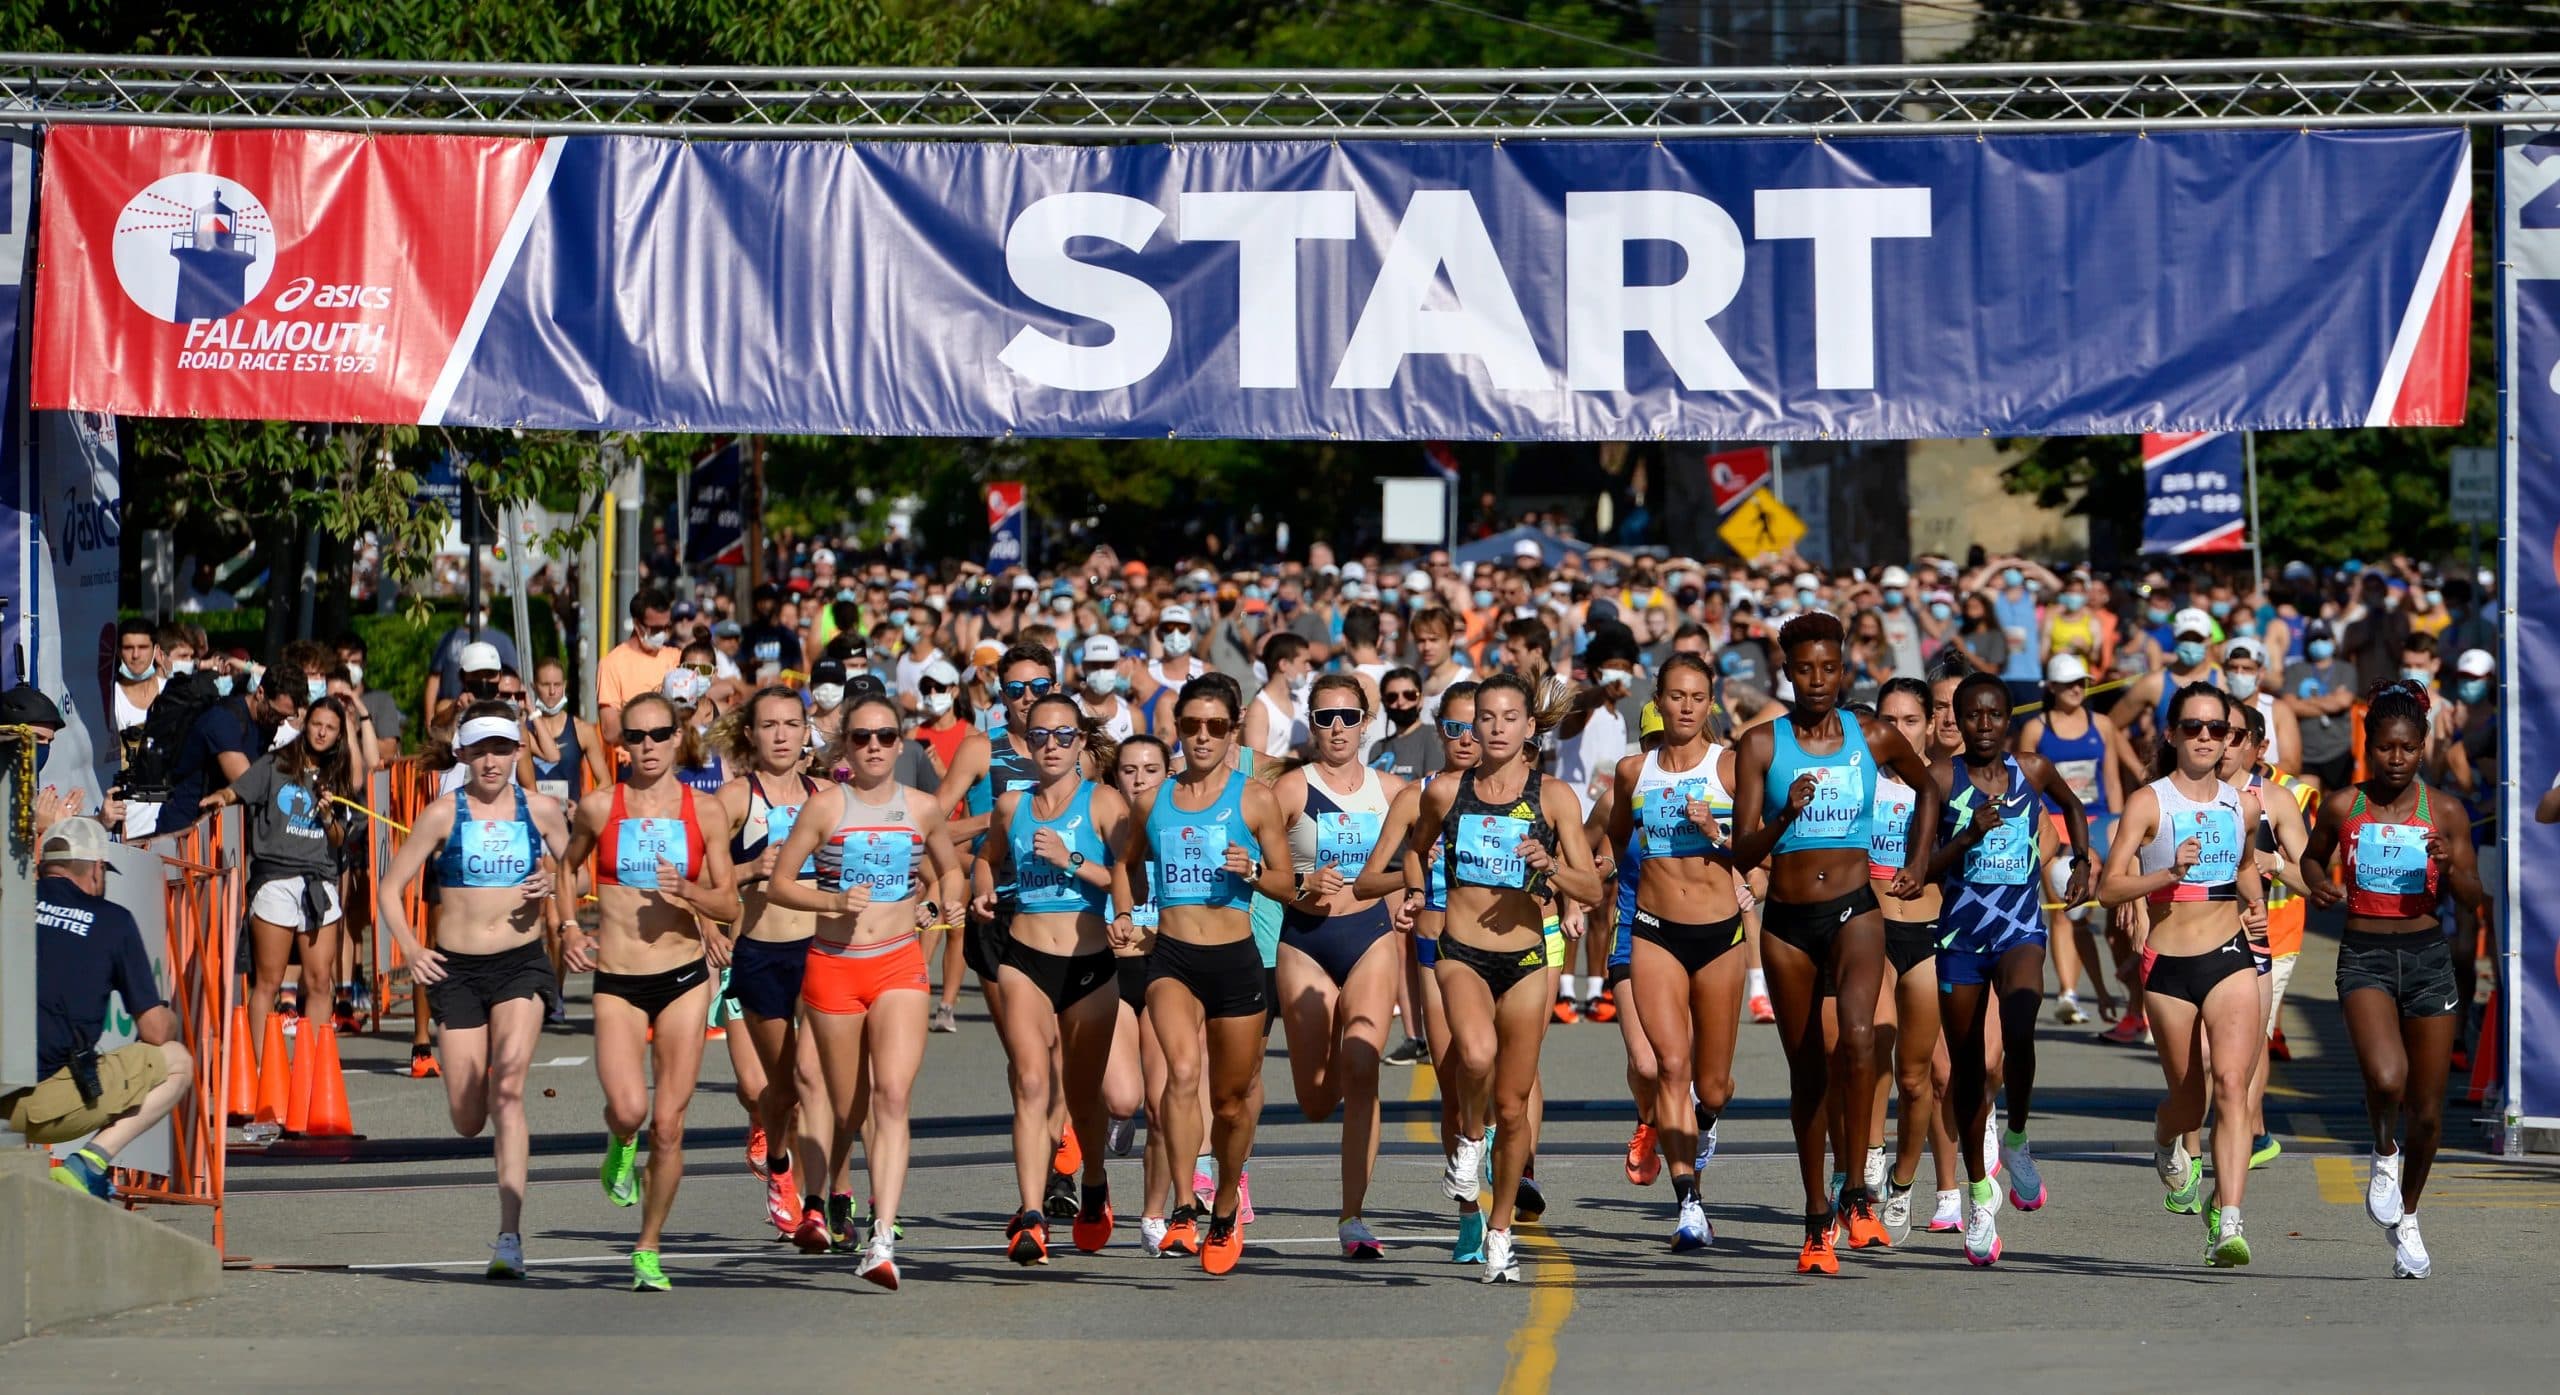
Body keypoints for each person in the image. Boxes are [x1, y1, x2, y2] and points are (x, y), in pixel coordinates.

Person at [1730, 611, 1942, 1274]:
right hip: (1789, 923)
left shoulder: (1871, 734)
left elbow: (1930, 785)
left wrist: (1919, 857)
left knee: (1858, 1039)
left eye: (1829, 667)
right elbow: (1741, 848)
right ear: (1785, 672)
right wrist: (1786, 813)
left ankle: (1858, 1191)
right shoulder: (1761, 745)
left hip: (1856, 910)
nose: (1817, 680)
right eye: (1804, 668)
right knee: (1808, 1075)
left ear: (1843, 669)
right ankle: (1816, 1215)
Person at [1404, 673, 1603, 1282]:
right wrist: (1417, 885)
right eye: (1483, 718)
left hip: (1525, 960)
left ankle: (1499, 1234)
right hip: (1461, 949)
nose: (1494, 729)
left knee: (1514, 1108)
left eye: (1508, 717)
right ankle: (1468, 1140)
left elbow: (1591, 886)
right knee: (1475, 1050)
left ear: (1527, 726)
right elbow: (1414, 848)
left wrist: (1552, 868)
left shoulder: (1555, 798)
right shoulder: (1445, 791)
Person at [771, 692, 966, 1288]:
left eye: (885, 736)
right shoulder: (825, 809)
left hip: (898, 966)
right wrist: (831, 900)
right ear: (845, 748)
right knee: (848, 1103)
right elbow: (781, 883)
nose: (875, 747)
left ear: (900, 743)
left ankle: (882, 1238)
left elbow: (950, 869)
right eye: (862, 738)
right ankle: (833, 1190)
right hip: (833, 965)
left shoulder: (923, 807)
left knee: (892, 1097)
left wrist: (937, 904)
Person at [372, 706, 570, 1278]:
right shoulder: (441, 814)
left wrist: (557, 882)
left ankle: (510, 1237)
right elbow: (389, 889)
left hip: (520, 965)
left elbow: (580, 870)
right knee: (467, 1117)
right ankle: (473, 1081)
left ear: (517, 753)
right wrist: (411, 948)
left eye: (503, 748)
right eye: (481, 749)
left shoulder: (543, 811)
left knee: (508, 1092)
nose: (492, 760)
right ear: (462, 754)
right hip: (455, 971)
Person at [2301, 680, 2486, 1280]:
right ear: (2368, 746)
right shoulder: (2342, 804)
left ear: (2423, 747)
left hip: (2429, 955)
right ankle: (2383, 1150)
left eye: (2407, 748)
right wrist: (2321, 885)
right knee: (2387, 1079)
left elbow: (2474, 899)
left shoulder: (2447, 811)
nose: (2397, 759)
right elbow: (2311, 857)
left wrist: (2448, 862)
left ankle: (2408, 1215)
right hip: (2364, 954)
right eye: (2385, 748)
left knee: (2429, 1113)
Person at [559, 691, 741, 1291]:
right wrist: (566, 928)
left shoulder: (705, 811)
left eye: (660, 734)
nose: (648, 746)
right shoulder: (598, 807)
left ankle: (648, 1246)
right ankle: (617, 1141)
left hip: (685, 976)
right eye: (636, 737)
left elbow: (728, 900)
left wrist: (689, 894)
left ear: (677, 737)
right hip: (617, 979)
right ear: (621, 744)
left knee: (668, 1125)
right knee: (632, 1110)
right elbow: (567, 868)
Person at [1121, 673, 1295, 1274]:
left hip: (1236, 959)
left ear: (1234, 727)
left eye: (1214, 726)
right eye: (1190, 726)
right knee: (1180, 1071)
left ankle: (1225, 1201)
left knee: (1229, 1102)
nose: (1201, 737)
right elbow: (1126, 860)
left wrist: (1251, 871)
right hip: (1171, 958)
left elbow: (1287, 883)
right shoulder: (1153, 799)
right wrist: (1127, 912)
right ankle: (1184, 1207)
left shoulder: (1254, 798)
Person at [1924, 673, 2092, 1266]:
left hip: (2020, 929)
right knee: (1968, 1070)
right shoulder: (1942, 779)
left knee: (2020, 1027)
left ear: (2008, 719)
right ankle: (1977, 1195)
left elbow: (2073, 805)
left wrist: (2082, 862)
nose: (1985, 725)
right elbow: (1923, 868)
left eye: (1995, 714)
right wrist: (1969, 833)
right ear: (1959, 722)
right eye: (1973, 716)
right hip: (1960, 937)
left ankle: (2016, 1137)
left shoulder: (2033, 770)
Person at [2099, 683, 2268, 1268]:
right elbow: (2108, 887)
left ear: (2229, 739)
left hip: (2229, 955)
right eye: (2193, 727)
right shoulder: (2149, 802)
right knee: (2188, 1101)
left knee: (2231, 1084)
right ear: (2171, 734)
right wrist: (2166, 873)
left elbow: (2246, 869)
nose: (2204, 738)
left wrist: (2261, 910)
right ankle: (2166, 1137)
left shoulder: (2241, 804)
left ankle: (2230, 1220)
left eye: (2216, 729)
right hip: (2167, 964)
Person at [972, 694, 1130, 1267]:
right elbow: (987, 857)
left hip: (1089, 967)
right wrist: (983, 890)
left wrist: (1070, 861)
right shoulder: (1012, 807)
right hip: (1026, 960)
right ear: (1027, 742)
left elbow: (1129, 876)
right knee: (1031, 1083)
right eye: (1041, 736)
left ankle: (1093, 1180)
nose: (1052, 746)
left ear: (1082, 743)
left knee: (1084, 1100)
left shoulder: (1104, 801)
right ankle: (1031, 1213)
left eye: (1065, 736)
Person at [1604, 654, 1746, 1253]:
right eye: (1675, 696)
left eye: (1697, 697)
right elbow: (1613, 836)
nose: (1686, 707)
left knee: (1711, 1086)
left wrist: (1720, 835)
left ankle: (1705, 1123)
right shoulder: (1633, 770)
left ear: (1709, 703)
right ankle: (1689, 1201)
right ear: (1657, 702)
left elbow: (1765, 844)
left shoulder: (1732, 767)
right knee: (1670, 1067)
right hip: (1654, 928)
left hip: (1719, 935)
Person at [1270, 673, 1409, 1259]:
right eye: (1324, 718)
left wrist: (1415, 900)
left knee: (1363, 1063)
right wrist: (1300, 883)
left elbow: (1421, 857)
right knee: (1315, 1100)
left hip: (1370, 936)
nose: (1336, 729)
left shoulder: (1394, 789)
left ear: (1365, 723)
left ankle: (1353, 1215)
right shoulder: (1289, 789)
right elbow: (1259, 871)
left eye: (1347, 717)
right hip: (1305, 942)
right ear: (1311, 722)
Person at [3, 818, 195, 1201]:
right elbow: (156, 1031)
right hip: (43, 1102)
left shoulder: (9, 902)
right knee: (177, 1061)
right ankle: (89, 1163)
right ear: (95, 869)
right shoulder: (113, 921)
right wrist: (168, 1014)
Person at [708, 687, 835, 1249]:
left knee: (813, 1079)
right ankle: (779, 1162)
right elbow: (702, 883)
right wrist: (746, 869)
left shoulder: (829, 795)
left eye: (792, 723)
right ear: (751, 735)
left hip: (822, 953)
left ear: (807, 731)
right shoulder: (735, 799)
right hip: (760, 951)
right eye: (769, 725)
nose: (782, 735)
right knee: (776, 1090)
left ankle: (817, 1205)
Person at [200, 694, 360, 1063]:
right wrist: (221, 798)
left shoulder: (337, 776)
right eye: (317, 724)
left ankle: (313, 1070)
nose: (322, 732)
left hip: (319, 882)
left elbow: (338, 839)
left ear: (339, 735)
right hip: (274, 878)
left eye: (331, 728)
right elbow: (238, 790)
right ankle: (260, 1073)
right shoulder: (276, 763)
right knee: (269, 982)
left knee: (321, 980)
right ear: (306, 724)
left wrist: (326, 815)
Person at [1866, 677, 1963, 1241]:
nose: (1897, 730)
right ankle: (1870, 1159)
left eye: (1909, 720)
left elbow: (2029, 837)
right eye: (1887, 719)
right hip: (1871, 931)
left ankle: (1908, 1182)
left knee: (1919, 1076)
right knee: (1871, 1047)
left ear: (1930, 724)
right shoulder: (1861, 780)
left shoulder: (1945, 783)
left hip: (1929, 933)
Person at [2222, 702, 2313, 1169]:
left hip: (2275, 935)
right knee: (2208, 1052)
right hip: (2203, 938)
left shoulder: (2287, 794)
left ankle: (2248, 1133)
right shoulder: (2183, 790)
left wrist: (2273, 862)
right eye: (2215, 730)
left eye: (2234, 735)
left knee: (2252, 1041)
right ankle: (2214, 1132)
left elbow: (2311, 877)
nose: (2221, 742)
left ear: (2257, 746)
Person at [2016, 653, 2130, 1026]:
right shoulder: (2037, 728)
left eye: (2080, 682)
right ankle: (2068, 992)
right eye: (2067, 683)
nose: (2075, 689)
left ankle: (2114, 993)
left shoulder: (2102, 724)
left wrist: (2119, 827)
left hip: (2097, 824)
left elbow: (2111, 779)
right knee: (2065, 911)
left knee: (2093, 916)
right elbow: (2026, 783)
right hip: (2057, 824)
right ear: (2050, 687)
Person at [596, 587, 682, 746]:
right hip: (632, 762)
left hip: (673, 760)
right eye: (656, 629)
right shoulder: (612, 664)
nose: (663, 633)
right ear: (637, 624)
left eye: (667, 627)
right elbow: (610, 731)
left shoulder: (677, 657)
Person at [2283, 618, 2359, 792]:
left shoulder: (2345, 669)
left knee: (2336, 807)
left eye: (2323, 638)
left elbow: (2343, 702)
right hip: (2305, 752)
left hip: (2338, 751)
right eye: (2313, 639)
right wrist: (2330, 699)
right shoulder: (2296, 669)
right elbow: (2289, 705)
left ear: (2333, 640)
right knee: (2307, 805)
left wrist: (2303, 702)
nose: (2319, 643)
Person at [1246, 632, 1313, 760]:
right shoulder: (1259, 709)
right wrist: (1301, 752)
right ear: (1283, 664)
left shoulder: (1300, 700)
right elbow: (1254, 767)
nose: (1309, 668)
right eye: (1304, 662)